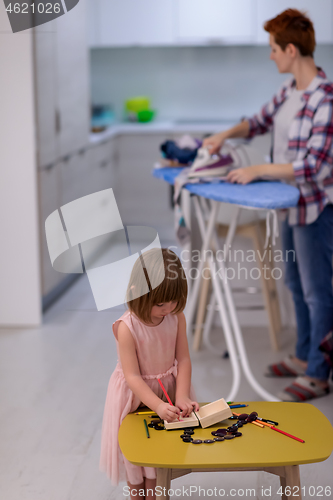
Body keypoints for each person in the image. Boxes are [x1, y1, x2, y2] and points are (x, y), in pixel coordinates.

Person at [203, 9, 333, 402]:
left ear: (292, 50)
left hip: (314, 209)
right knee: (294, 284)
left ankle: (318, 372)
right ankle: (302, 356)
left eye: (274, 49)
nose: (271, 55)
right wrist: (224, 134)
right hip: (286, 207)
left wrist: (259, 169)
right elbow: (257, 122)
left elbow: (313, 166)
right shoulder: (288, 92)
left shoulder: (324, 101)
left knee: (317, 291)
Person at [100, 247, 199, 499]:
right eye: (160, 303)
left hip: (167, 394)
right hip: (134, 399)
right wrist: (156, 404)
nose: (168, 308)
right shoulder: (126, 328)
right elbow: (132, 377)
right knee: (135, 463)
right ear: (138, 293)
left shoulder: (177, 318)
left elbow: (184, 359)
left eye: (174, 301)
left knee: (156, 464)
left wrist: (183, 396)